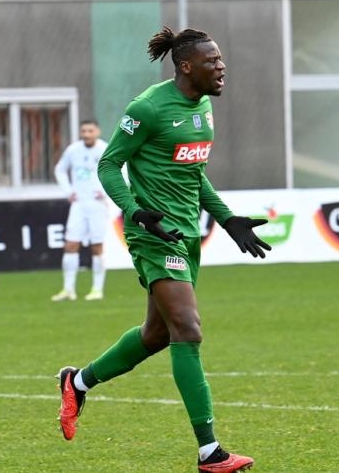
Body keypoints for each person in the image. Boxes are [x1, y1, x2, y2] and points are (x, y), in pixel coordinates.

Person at [55, 27, 270, 473]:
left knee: (156, 335)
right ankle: (210, 452)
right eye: (212, 61)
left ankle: (77, 382)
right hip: (152, 235)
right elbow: (110, 164)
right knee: (188, 329)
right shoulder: (148, 107)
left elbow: (193, 175)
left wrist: (227, 219)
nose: (221, 66)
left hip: (185, 235)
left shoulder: (204, 108)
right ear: (186, 66)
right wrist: (135, 212)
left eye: (221, 59)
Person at [51, 119, 108, 302]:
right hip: (78, 204)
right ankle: (68, 290)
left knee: (97, 246)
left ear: (97, 132)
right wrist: (68, 191)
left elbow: (122, 170)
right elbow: (60, 170)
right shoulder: (73, 150)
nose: (86, 134)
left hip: (97, 204)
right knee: (70, 244)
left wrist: (107, 190)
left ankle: (97, 289)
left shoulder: (105, 149)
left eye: (90, 131)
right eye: (83, 131)